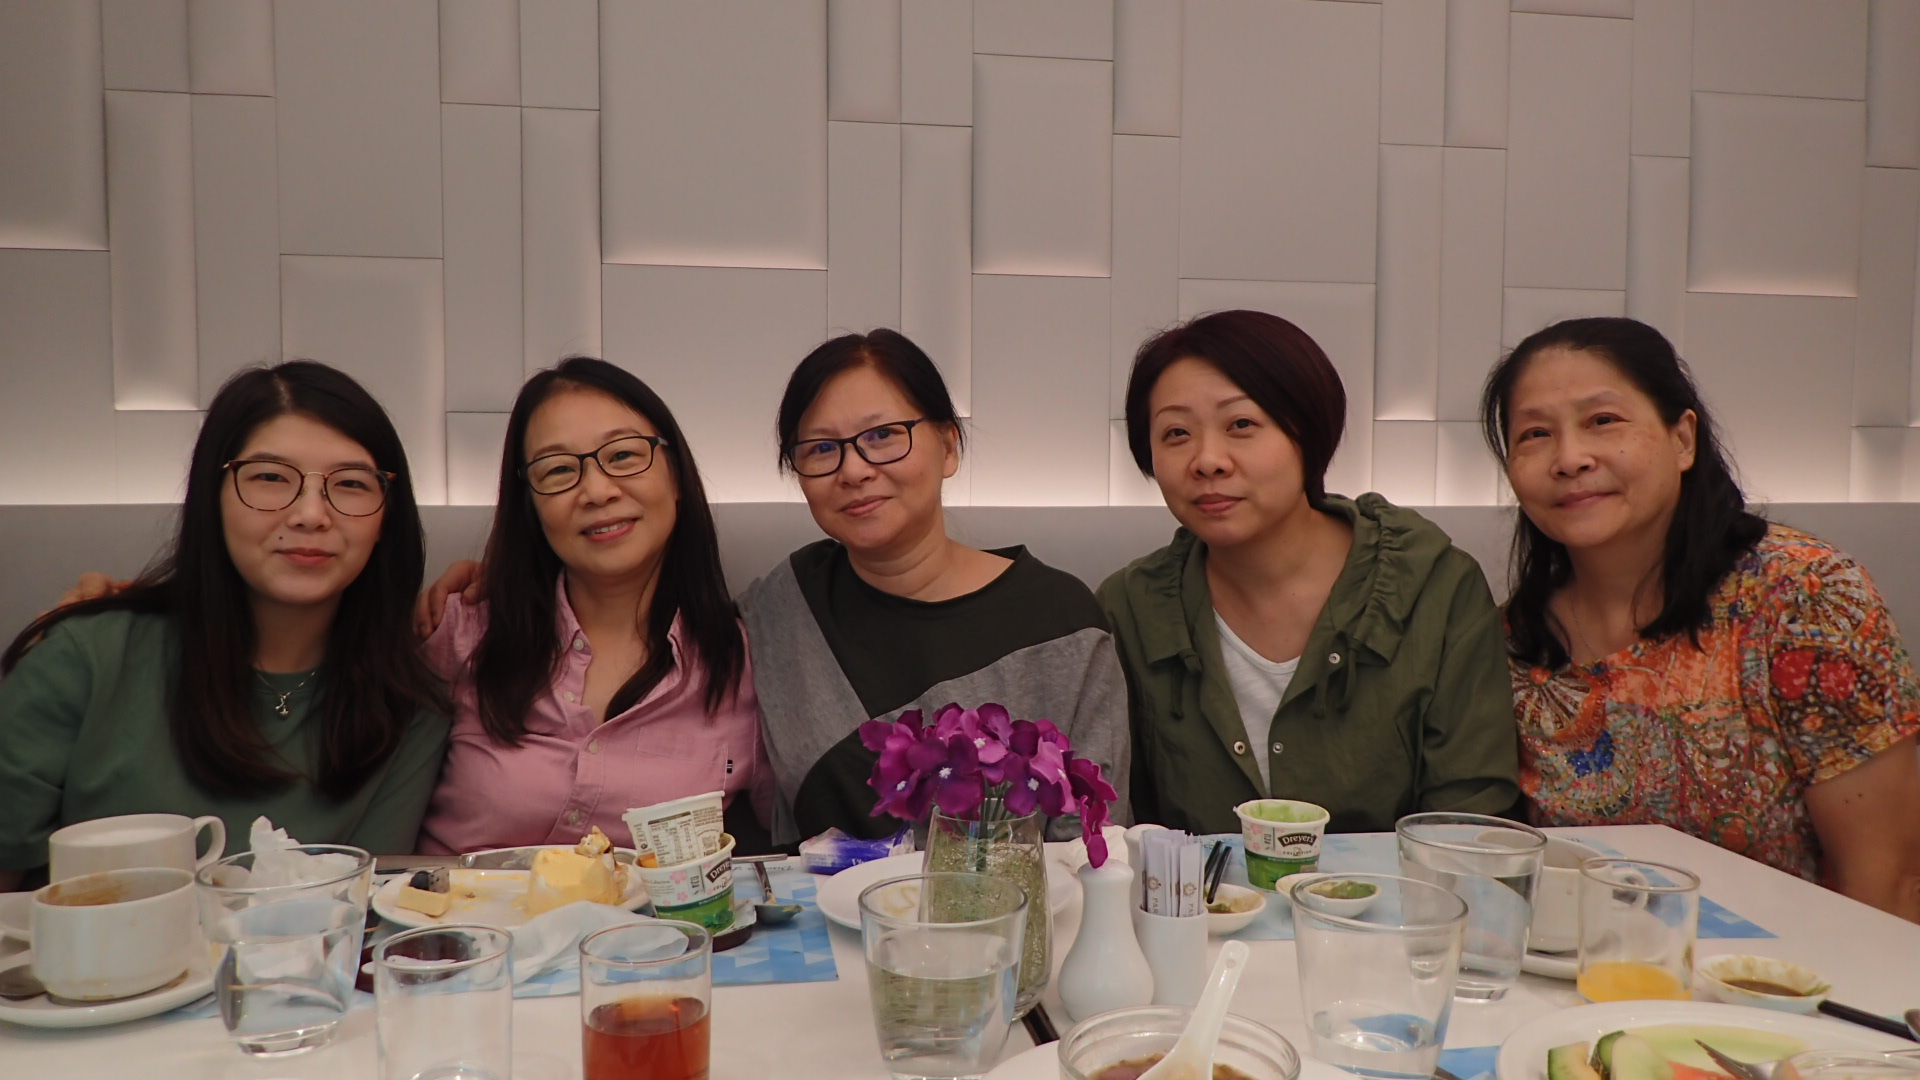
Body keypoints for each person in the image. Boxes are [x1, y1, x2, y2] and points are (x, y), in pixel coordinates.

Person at [1483, 316, 1920, 919]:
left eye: (1603, 421)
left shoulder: (1805, 598)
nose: (1570, 458)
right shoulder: (1513, 642)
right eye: (1535, 433)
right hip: (1593, 967)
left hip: (1796, 970)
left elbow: (1889, 881)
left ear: (1683, 439)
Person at [0, 362, 449, 889]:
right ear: (211, 497)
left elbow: (360, 912)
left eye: (350, 484)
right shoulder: (86, 658)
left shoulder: (407, 707)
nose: (310, 514)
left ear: (387, 517)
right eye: (270, 477)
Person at [1099, 309, 1520, 835]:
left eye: (1241, 425)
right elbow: (1117, 828)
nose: (1207, 460)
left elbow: (1469, 823)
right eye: (1176, 433)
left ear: (1308, 430)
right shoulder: (1128, 610)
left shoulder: (1436, 587)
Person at [740, 329, 1130, 845]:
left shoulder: (1059, 621)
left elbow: (1094, 843)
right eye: (821, 448)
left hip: (1025, 896)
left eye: (882, 435)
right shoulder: (780, 609)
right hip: (822, 897)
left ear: (948, 446)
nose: (853, 470)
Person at [414, 357, 771, 855]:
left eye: (623, 455)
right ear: (530, 504)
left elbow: (797, 851)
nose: (598, 491)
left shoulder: (746, 666)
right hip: (457, 905)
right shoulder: (461, 631)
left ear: (676, 477)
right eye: (559, 469)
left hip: (650, 911)